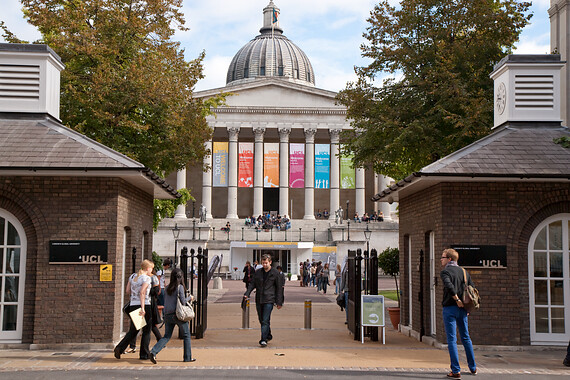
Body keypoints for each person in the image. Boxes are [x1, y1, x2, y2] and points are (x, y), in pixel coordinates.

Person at [440, 248, 477, 378]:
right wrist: (466, 306)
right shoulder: (464, 272)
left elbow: (449, 286)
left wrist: (456, 299)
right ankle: (473, 367)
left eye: (443, 257)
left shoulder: (445, 272)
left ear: (449, 259)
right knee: (466, 337)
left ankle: (456, 370)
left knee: (451, 339)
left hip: (450, 308)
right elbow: (472, 289)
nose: (441, 259)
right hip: (463, 309)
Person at [149, 268, 195, 363]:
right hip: (178, 315)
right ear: (180, 277)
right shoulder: (180, 287)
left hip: (168, 315)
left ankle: (153, 352)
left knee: (166, 336)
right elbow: (183, 301)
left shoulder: (167, 288)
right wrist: (190, 298)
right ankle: (187, 357)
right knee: (186, 335)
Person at [114, 259, 154, 360]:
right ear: (148, 268)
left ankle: (119, 347)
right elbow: (142, 292)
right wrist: (143, 308)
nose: (152, 271)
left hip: (133, 304)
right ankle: (144, 354)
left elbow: (128, 290)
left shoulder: (132, 277)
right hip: (144, 305)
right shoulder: (147, 279)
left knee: (134, 330)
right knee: (146, 330)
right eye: (151, 269)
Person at [243, 253, 283, 347]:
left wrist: (279, 302)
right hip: (259, 298)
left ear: (270, 262)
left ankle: (263, 339)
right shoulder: (258, 272)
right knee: (261, 319)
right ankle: (268, 334)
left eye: (266, 263)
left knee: (265, 320)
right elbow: (252, 284)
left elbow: (279, 289)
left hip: (269, 299)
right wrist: (247, 293)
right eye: (263, 263)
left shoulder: (275, 273)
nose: (264, 264)